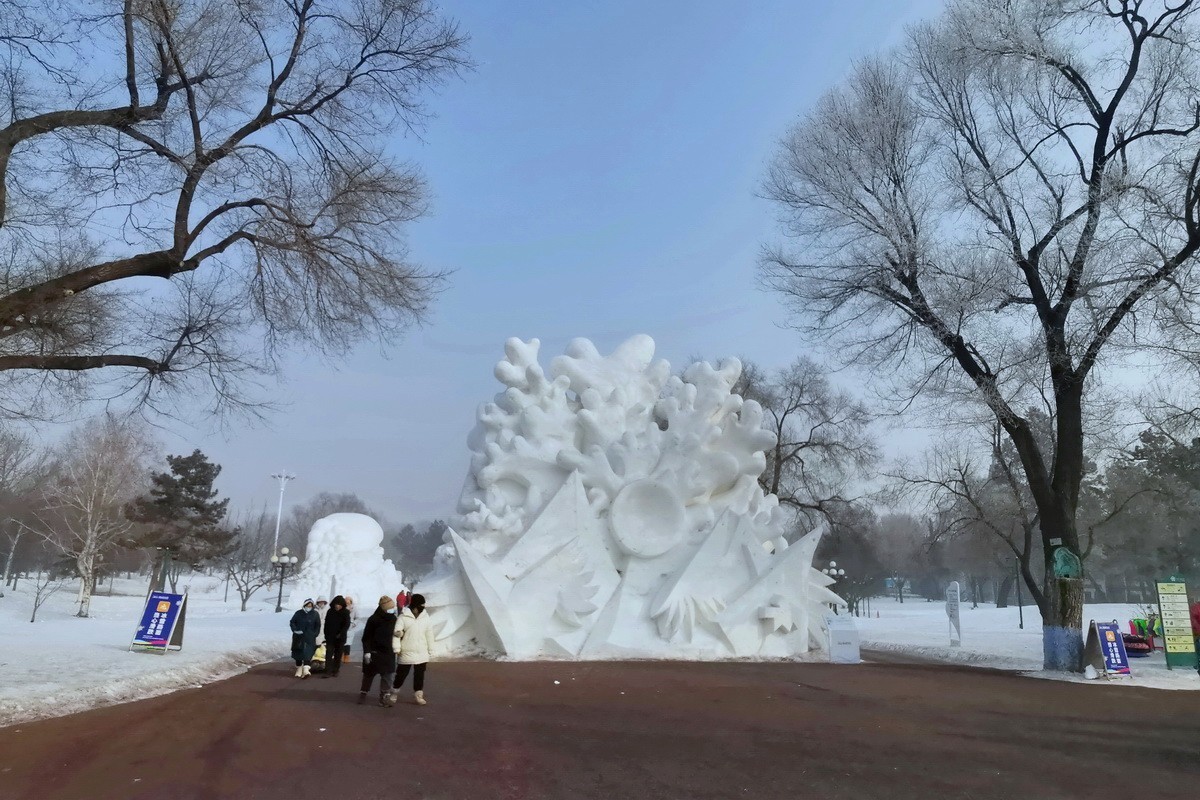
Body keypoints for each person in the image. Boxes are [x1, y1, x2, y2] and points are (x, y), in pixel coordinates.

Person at [390, 593, 436, 706]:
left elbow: (429, 634)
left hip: (421, 652)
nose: (419, 610)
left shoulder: (425, 617)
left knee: (420, 675)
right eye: (418, 607)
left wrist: (431, 649)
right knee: (401, 674)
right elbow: (396, 634)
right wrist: (396, 648)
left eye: (421, 607)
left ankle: (418, 695)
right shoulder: (403, 617)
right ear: (413, 606)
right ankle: (394, 692)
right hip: (406, 651)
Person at [359, 595, 398, 706]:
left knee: (388, 675)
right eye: (390, 608)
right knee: (368, 674)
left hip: (388, 652)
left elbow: (397, 633)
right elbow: (366, 637)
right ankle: (363, 692)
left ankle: (384, 696)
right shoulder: (373, 619)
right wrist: (367, 652)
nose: (392, 610)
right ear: (383, 608)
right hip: (374, 652)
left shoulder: (394, 619)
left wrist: (399, 634)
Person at [289, 598, 321, 678]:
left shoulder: (315, 614)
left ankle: (306, 670)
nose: (309, 607)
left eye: (310, 606)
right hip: (298, 637)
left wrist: (315, 634)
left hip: (310, 637)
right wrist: (295, 630)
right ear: (304, 605)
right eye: (307, 605)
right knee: (298, 654)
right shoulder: (298, 613)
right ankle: (299, 668)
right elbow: (292, 622)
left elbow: (318, 625)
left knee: (308, 653)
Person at [322, 595, 351, 678]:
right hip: (330, 637)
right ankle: (327, 670)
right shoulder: (330, 612)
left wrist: (341, 633)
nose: (337, 606)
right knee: (329, 654)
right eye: (336, 604)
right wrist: (326, 633)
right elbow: (326, 623)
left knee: (338, 654)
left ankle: (336, 670)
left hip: (340, 638)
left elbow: (346, 624)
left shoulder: (345, 612)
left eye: (339, 604)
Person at [343, 596, 359, 664]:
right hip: (342, 628)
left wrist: (353, 624)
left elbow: (357, 618)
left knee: (347, 644)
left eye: (348, 603)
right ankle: (341, 656)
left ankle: (346, 657)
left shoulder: (354, 609)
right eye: (346, 603)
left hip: (350, 628)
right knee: (341, 643)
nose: (347, 604)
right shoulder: (342, 609)